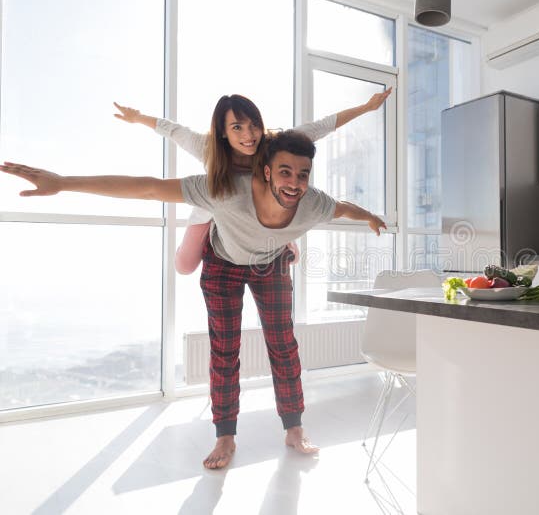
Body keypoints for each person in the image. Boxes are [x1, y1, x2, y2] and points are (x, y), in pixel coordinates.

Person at [1, 130, 386, 470]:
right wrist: (64, 182)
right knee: (224, 349)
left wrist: (368, 215)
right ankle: (225, 435)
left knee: (283, 346)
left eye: (303, 175)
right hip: (224, 264)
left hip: (271, 264)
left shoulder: (313, 203)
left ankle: (294, 428)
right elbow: (148, 187)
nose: (295, 183)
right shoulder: (224, 189)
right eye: (285, 171)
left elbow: (343, 208)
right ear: (266, 171)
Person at [113, 88, 392, 274]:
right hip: (213, 212)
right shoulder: (207, 147)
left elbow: (322, 126)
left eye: (254, 125)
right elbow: (173, 131)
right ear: (223, 132)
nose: (249, 135)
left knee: (283, 250)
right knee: (184, 266)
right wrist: (138, 118)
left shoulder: (274, 146)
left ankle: (281, 243)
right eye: (237, 127)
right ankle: (219, 239)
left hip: (261, 217)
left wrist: (366, 108)